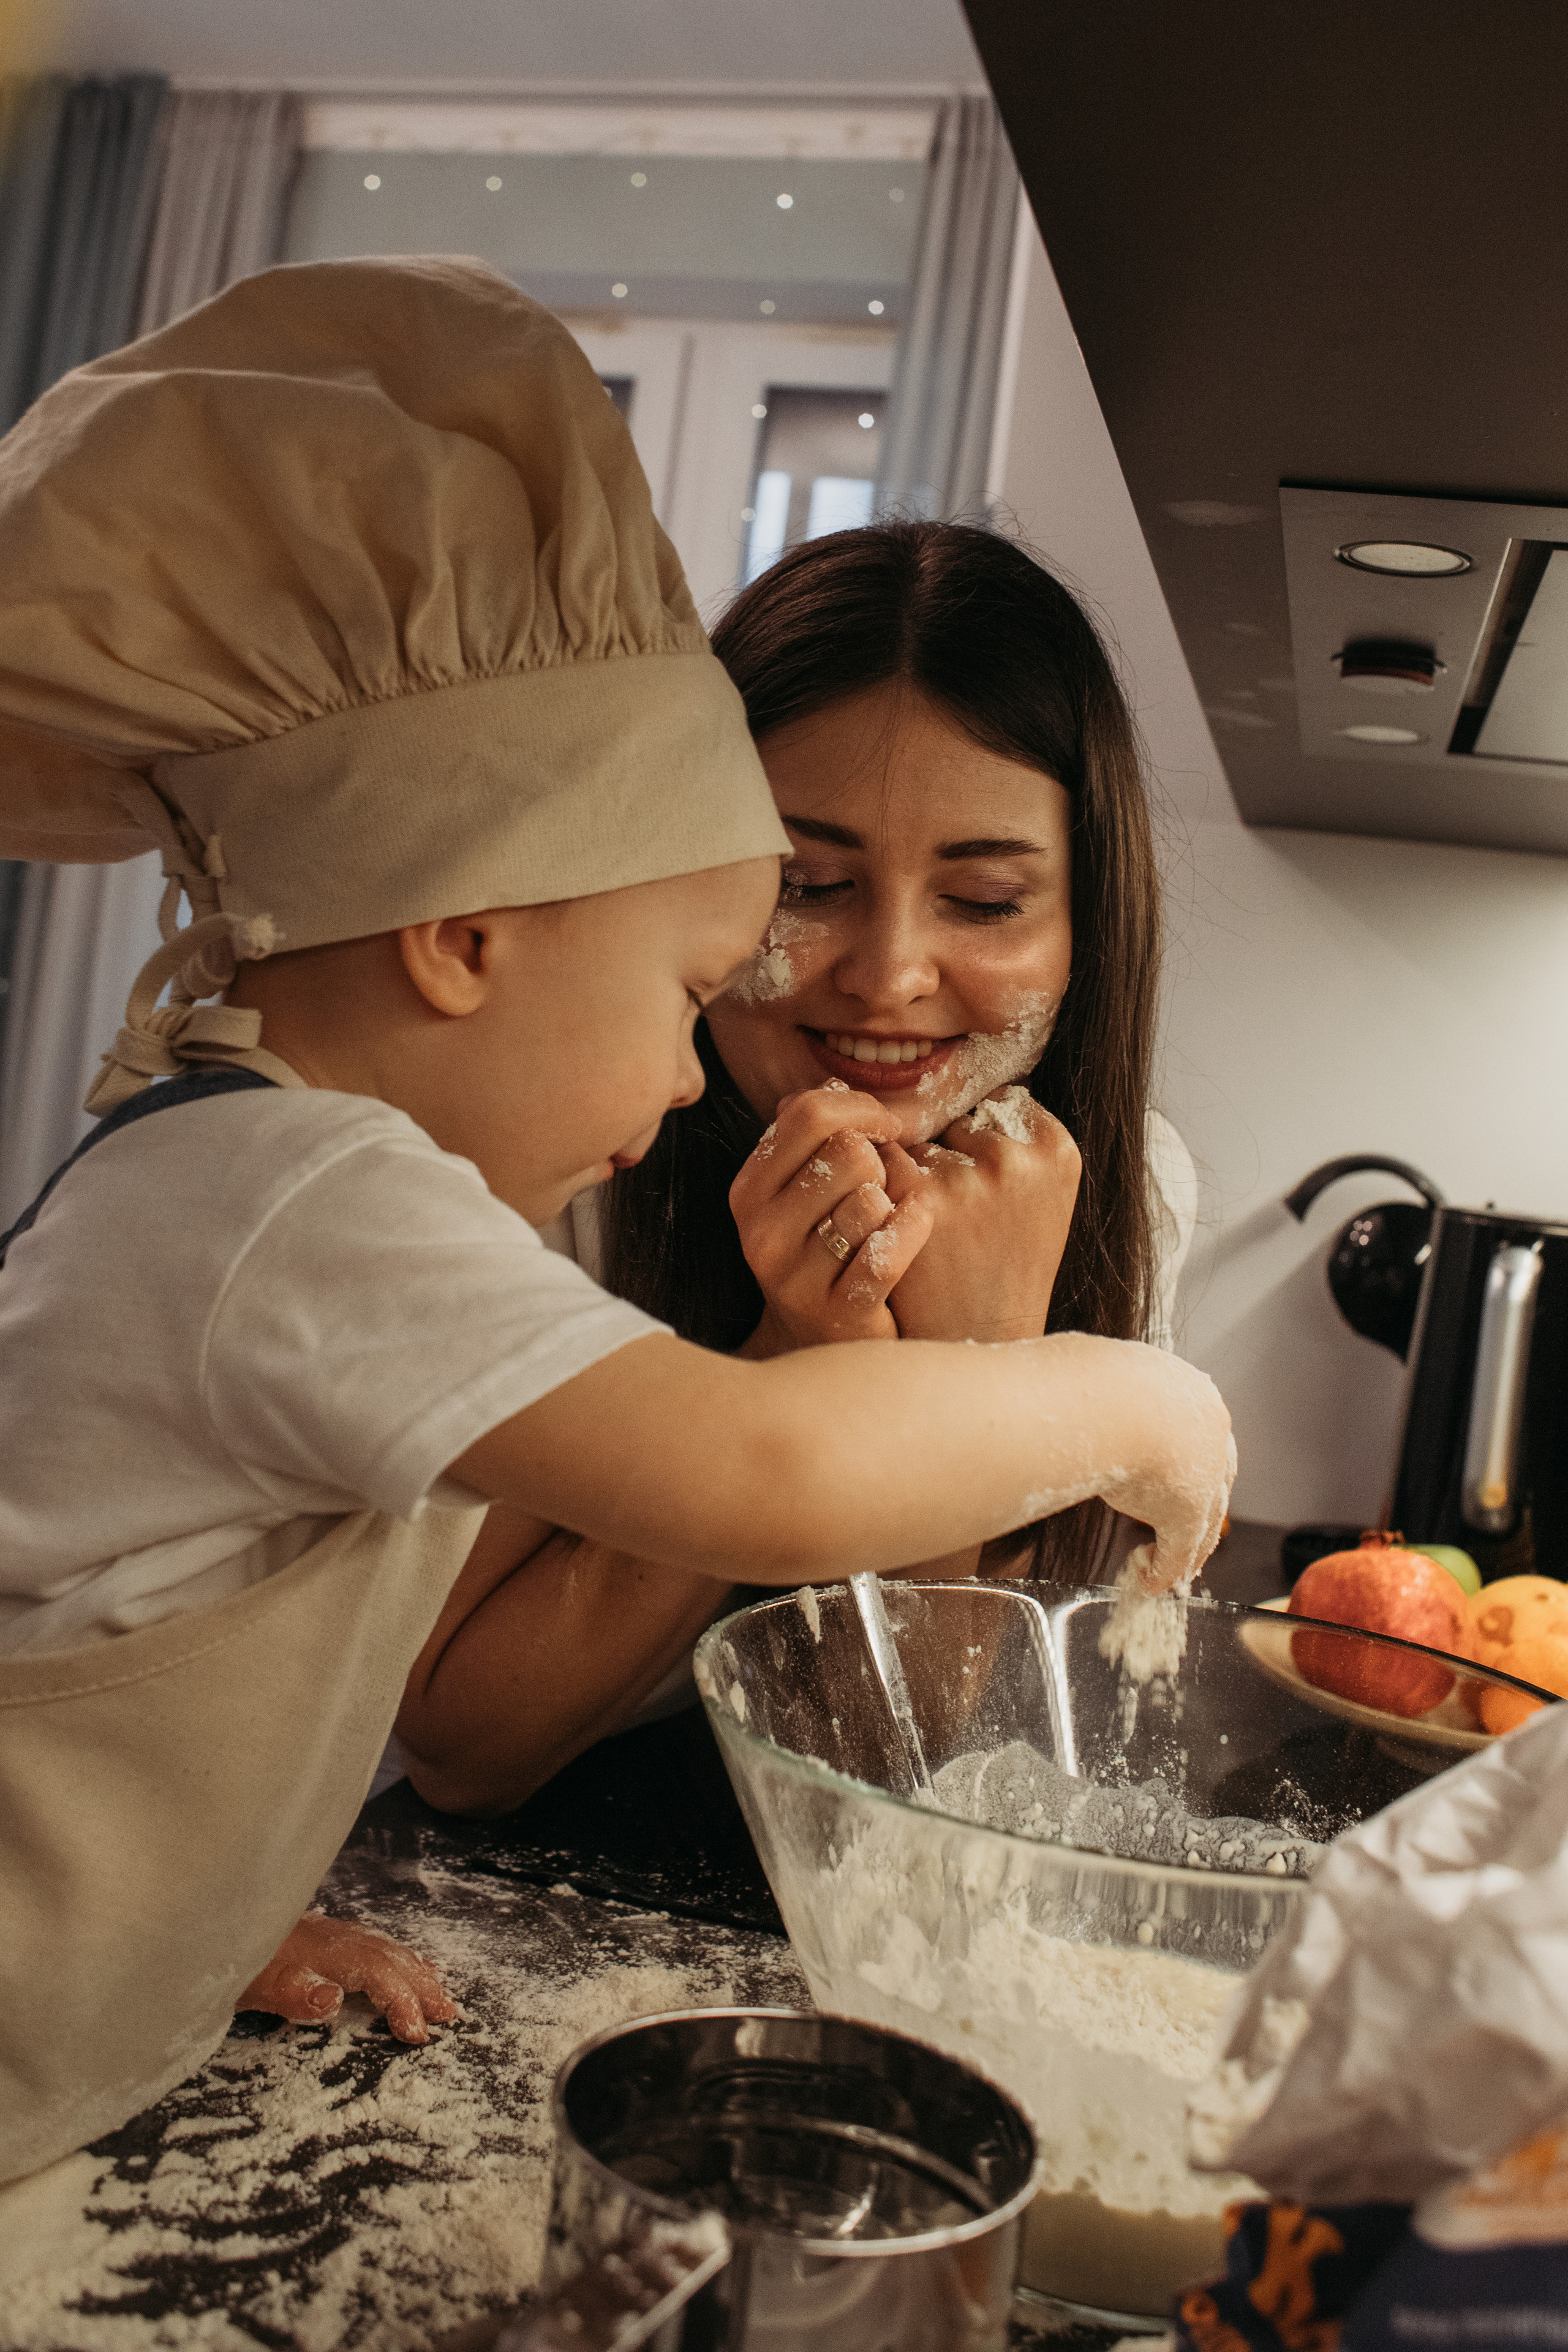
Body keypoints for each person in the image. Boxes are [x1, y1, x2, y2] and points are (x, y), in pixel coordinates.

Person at [0, 257, 1234, 2184]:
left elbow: (156, 1650)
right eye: (711, 963)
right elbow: (746, 1477)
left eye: (985, 899)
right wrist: (1115, 1389)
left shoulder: (288, 1168)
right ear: (469, 938)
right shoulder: (338, 1195)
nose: (873, 980)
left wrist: (184, 1923)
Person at [391, 523, 1196, 1813]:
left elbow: (888, 1772)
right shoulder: (560, 1152)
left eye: (983, 900)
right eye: (806, 881)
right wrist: (788, 1351)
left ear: (1085, 921)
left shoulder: (1118, 1184)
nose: (886, 976)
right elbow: (461, 1751)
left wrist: (975, 1371)